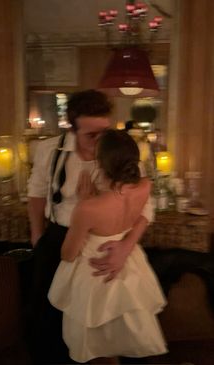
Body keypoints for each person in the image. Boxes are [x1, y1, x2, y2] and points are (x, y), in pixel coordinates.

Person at [27, 89, 154, 364]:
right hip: (61, 238)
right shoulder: (49, 150)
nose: (100, 141)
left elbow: (145, 207)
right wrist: (37, 236)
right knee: (50, 318)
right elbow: (36, 193)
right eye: (90, 135)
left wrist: (125, 247)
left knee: (110, 323)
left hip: (108, 245)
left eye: (104, 132)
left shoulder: (121, 151)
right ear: (73, 129)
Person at [48, 129, 167, 364]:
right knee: (113, 339)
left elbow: (68, 254)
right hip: (129, 265)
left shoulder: (88, 208)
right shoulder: (144, 185)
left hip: (95, 273)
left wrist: (85, 203)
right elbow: (142, 217)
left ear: (100, 163)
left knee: (95, 344)